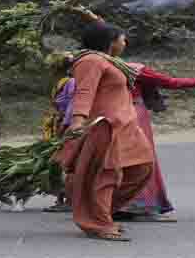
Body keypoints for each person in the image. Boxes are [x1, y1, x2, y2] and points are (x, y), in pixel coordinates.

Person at [59, 21, 154, 242]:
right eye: (121, 38)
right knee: (106, 174)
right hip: (104, 125)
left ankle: (99, 211)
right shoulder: (90, 61)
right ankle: (99, 222)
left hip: (125, 126)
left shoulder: (109, 61)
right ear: (110, 42)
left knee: (141, 168)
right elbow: (84, 91)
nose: (125, 42)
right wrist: (78, 120)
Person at [112, 63, 195, 222]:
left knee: (121, 160)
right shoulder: (135, 69)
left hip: (113, 115)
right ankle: (142, 206)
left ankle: (118, 204)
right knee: (142, 159)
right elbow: (169, 82)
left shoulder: (102, 66)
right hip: (135, 115)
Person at [42, 51, 76, 213]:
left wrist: (65, 126)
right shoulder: (63, 82)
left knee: (64, 161)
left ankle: (67, 198)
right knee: (58, 160)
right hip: (58, 123)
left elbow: (71, 105)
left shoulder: (71, 82)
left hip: (65, 125)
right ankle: (61, 197)